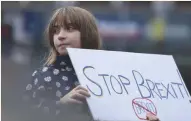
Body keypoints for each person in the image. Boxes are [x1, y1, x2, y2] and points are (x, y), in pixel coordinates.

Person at [23, 6, 160, 121]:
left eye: (69, 29)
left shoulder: (111, 77)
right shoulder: (43, 75)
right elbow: (26, 114)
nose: (60, 36)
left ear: (88, 34)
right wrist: (61, 104)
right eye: (55, 31)